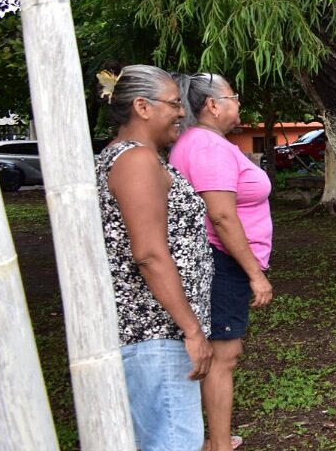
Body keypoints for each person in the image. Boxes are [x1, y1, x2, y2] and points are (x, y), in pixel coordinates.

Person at [94, 65, 213, 450]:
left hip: (154, 336)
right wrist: (191, 330)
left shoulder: (131, 157)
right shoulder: (136, 162)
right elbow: (148, 254)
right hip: (155, 335)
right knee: (174, 441)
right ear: (142, 107)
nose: (181, 113)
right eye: (175, 104)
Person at [169, 73, 273, 451]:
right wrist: (255, 275)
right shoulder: (208, 147)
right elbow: (222, 217)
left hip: (217, 260)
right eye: (233, 96)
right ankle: (218, 443)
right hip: (220, 262)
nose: (238, 103)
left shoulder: (203, 143)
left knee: (217, 351)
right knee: (222, 354)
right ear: (212, 105)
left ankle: (213, 438)